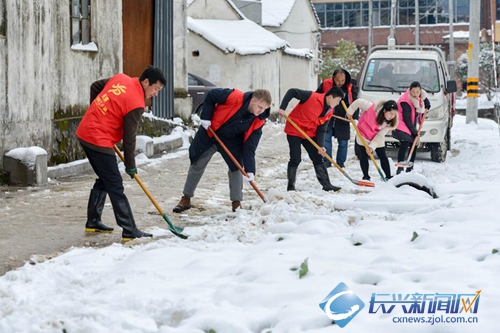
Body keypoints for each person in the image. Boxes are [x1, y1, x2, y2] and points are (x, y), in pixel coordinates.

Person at [76, 65, 166, 240]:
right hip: (97, 138)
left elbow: (95, 86)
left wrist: (97, 111)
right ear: (146, 82)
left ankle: (93, 221)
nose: (156, 94)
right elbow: (129, 138)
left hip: (86, 131)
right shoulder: (136, 104)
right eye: (156, 89)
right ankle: (129, 229)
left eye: (159, 90)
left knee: (105, 178)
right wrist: (130, 165)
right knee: (115, 184)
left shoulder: (121, 78)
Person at [173, 88, 272, 213]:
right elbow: (212, 95)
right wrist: (206, 117)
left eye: (264, 109)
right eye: (259, 107)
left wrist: (250, 170)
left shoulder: (258, 120)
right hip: (210, 132)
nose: (261, 111)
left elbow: (250, 147)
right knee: (197, 163)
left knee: (236, 168)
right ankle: (186, 198)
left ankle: (236, 203)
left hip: (232, 141)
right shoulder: (234, 96)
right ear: (252, 100)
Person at [278, 87, 344, 192]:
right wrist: (282, 107)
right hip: (295, 129)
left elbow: (322, 129)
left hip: (310, 132)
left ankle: (327, 185)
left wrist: (321, 146)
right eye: (337, 100)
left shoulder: (329, 111)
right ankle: (291, 186)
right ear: (330, 97)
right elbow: (292, 92)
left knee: (317, 157)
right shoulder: (311, 96)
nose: (338, 103)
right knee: (295, 158)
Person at [344, 99, 399, 181]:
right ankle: (366, 176)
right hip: (362, 133)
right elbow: (358, 102)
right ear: (384, 110)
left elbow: (380, 135)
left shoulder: (390, 122)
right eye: (391, 113)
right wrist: (349, 112)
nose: (392, 116)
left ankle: (388, 176)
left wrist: (371, 147)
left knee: (382, 156)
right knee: (363, 155)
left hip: (376, 136)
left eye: (394, 114)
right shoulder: (371, 107)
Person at [316, 69, 358, 168]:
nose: (340, 83)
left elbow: (355, 103)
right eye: (338, 80)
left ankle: (340, 162)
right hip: (328, 117)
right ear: (333, 78)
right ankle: (327, 160)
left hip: (343, 117)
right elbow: (317, 96)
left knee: (343, 142)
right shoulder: (326, 84)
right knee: (326, 139)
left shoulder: (350, 87)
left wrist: (353, 115)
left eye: (342, 81)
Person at [392, 81, 431, 174]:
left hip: (408, 125)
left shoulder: (419, 97)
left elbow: (424, 99)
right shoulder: (405, 101)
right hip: (400, 125)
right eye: (413, 92)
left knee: (414, 143)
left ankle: (410, 168)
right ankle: (400, 168)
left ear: (420, 91)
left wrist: (427, 104)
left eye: (417, 92)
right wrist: (414, 131)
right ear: (409, 90)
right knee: (406, 143)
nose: (415, 94)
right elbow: (406, 118)